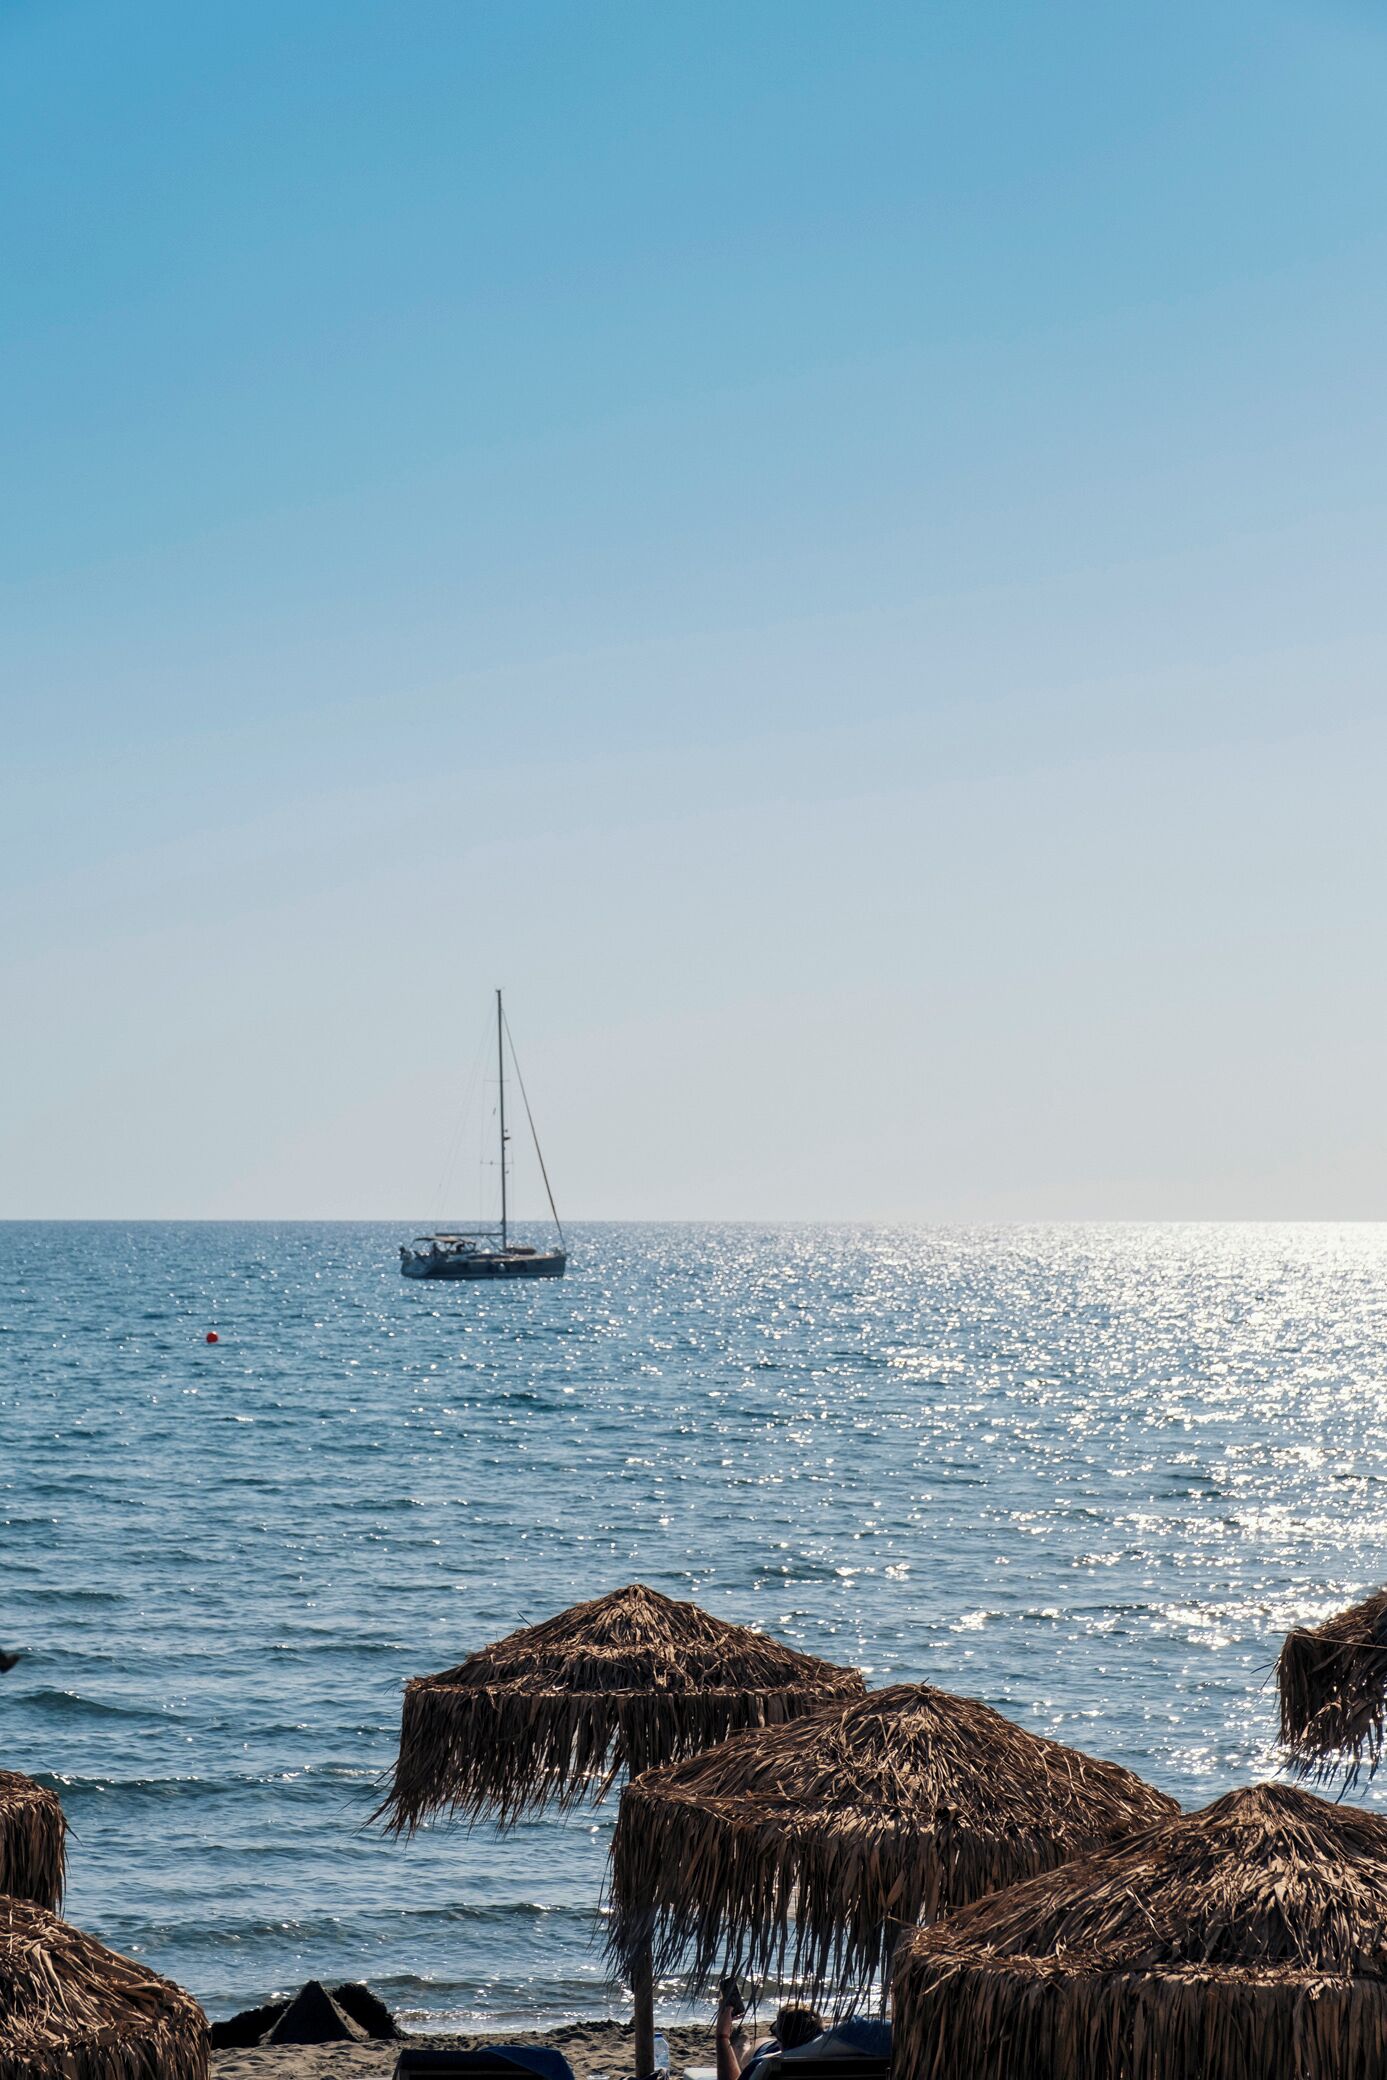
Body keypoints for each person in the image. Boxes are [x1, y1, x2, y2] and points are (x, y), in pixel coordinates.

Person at [715, 1993, 824, 2080]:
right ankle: (742, 2042)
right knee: (757, 2043)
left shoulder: (763, 2064)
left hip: (764, 2050)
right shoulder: (832, 2055)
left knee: (745, 2053)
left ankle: (741, 2045)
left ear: (781, 2039)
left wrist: (722, 2035)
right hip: (793, 2046)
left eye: (775, 2030)